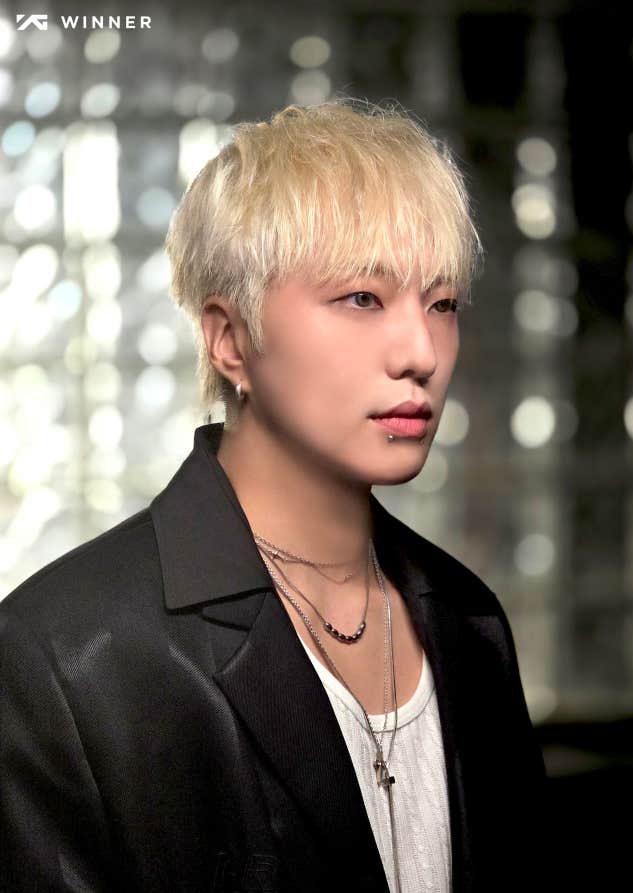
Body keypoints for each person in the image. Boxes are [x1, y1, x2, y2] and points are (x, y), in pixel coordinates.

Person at [0, 98, 549, 892]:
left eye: (442, 304)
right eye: (363, 298)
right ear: (230, 340)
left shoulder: (470, 622)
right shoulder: (66, 658)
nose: (421, 352)